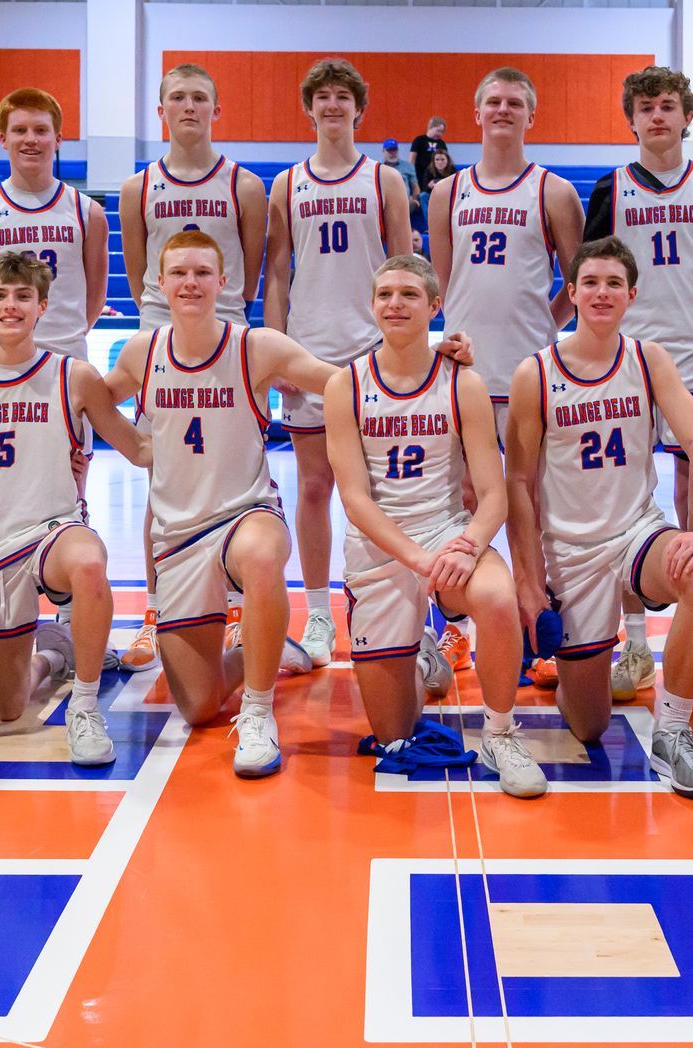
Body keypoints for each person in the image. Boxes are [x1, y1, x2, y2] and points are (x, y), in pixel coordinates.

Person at [102, 231, 349, 778]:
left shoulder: (256, 346)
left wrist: (429, 362)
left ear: (224, 282)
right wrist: (133, 444)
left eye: (202, 273)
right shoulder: (143, 351)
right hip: (179, 537)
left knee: (263, 558)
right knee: (197, 704)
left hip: (246, 514)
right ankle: (266, 646)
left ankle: (259, 714)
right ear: (159, 283)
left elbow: (345, 384)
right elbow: (90, 395)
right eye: (180, 273)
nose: (190, 282)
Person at [505, 238, 693, 801]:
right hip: (570, 553)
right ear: (573, 293)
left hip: (636, 533)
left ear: (631, 295)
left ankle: (673, 731)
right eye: (590, 283)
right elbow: (518, 484)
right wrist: (530, 584)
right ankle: (574, 667)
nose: (601, 293)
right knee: (589, 726)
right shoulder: (535, 373)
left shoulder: (648, 358)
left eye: (613, 284)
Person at [325, 255, 544, 797]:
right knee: (394, 735)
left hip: (445, 528)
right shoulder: (345, 386)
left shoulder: (462, 382)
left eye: (408, 294)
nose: (395, 304)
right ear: (371, 305)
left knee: (496, 597)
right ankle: (421, 656)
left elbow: (493, 494)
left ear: (434, 306)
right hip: (380, 548)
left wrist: (467, 547)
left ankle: (499, 733)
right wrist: (421, 562)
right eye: (384, 295)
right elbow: (354, 500)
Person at [0, 252, 150, 765]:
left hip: (55, 528)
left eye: (23, 296)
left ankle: (84, 705)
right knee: (9, 705)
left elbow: (137, 448)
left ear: (43, 306)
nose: (12, 306)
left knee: (89, 562)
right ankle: (55, 649)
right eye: (1, 296)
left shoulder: (73, 376)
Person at [582, 64, 693, 704]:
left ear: (686, 115)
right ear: (631, 119)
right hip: (626, 361)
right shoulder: (612, 186)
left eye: (668, 105)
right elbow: (593, 280)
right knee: (624, 500)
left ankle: (691, 639)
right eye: (646, 107)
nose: (657, 116)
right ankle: (633, 644)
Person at [430, 67, 583, 682]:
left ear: (530, 115)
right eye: (492, 100)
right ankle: (460, 628)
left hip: (529, 374)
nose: (502, 109)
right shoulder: (447, 193)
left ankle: (533, 624)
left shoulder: (552, 191)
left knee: (529, 503)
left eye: (514, 102)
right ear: (477, 111)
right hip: (465, 373)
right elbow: (445, 287)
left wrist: (540, 330)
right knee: (465, 502)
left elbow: (577, 283)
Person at [117, 63, 269, 673]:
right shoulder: (138, 187)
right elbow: (136, 275)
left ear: (216, 108)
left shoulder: (245, 185)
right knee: (165, 478)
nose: (188, 106)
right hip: (163, 333)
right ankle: (158, 610)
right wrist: (165, 318)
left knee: (235, 476)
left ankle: (234, 607)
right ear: (161, 109)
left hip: (227, 335)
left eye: (199, 97)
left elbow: (251, 271)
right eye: (176, 97)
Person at [265, 58, 415, 670]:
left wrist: (410, 344)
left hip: (372, 352)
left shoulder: (385, 181)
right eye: (322, 97)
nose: (332, 106)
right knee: (315, 486)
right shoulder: (286, 184)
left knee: (386, 488)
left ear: (359, 108)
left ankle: (387, 607)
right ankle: (321, 612)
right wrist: (273, 347)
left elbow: (409, 270)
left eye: (342, 97)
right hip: (307, 349)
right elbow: (277, 272)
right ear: (309, 108)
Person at [0, 88, 106, 359]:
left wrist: (63, 338)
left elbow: (94, 300)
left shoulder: (87, 212)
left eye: (41, 130)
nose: (30, 139)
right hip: (0, 358)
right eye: (20, 130)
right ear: (3, 139)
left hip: (66, 359)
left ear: (58, 139)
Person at [410, 116, 448, 191]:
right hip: (420, 174)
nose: (440, 134)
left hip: (436, 176)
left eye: (442, 132)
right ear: (431, 127)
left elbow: (446, 160)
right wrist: (412, 175)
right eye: (438, 131)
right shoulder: (419, 140)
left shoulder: (441, 143)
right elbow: (412, 159)